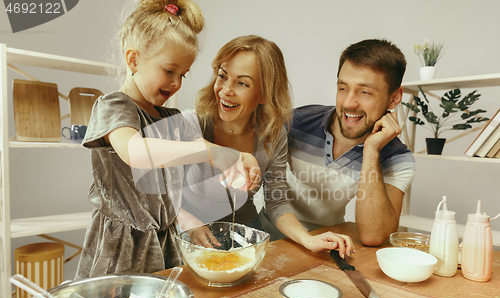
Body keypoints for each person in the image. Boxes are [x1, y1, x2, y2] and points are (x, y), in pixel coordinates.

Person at [75, 0, 259, 280]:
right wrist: (207, 150)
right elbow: (135, 151)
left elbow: (165, 189)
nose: (176, 83)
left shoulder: (171, 118)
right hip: (120, 245)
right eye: (169, 70)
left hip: (162, 242)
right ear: (134, 60)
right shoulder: (114, 107)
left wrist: (240, 158)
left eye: (182, 74)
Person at [179, 35, 354, 256]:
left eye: (242, 83)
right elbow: (159, 195)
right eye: (222, 76)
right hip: (189, 230)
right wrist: (190, 224)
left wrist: (308, 240)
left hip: (244, 230)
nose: (225, 90)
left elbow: (276, 203)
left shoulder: (272, 134)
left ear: (263, 94)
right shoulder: (190, 124)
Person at [266, 38, 415, 247]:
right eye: (343, 88)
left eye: (365, 92)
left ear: (394, 98)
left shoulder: (398, 158)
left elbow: (374, 236)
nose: (348, 103)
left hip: (328, 241)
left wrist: (371, 151)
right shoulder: (295, 123)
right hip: (269, 236)